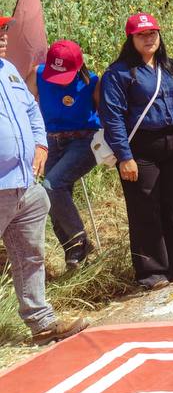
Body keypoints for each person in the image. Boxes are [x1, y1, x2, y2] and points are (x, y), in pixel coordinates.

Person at [99, 12, 173, 289]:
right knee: (144, 209)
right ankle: (150, 273)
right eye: (142, 34)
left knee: (170, 205)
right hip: (139, 147)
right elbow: (112, 117)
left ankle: (172, 266)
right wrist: (124, 157)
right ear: (131, 39)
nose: (149, 38)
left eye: (152, 33)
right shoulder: (118, 74)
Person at [0, 19, 89, 343]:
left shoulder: (8, 70)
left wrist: (39, 143)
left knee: (30, 254)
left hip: (25, 185)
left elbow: (31, 112)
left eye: (3, 33)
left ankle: (41, 323)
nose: (2, 39)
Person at [30, 39, 100, 272]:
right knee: (53, 200)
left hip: (83, 141)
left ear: (79, 66)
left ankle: (80, 238)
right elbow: (27, 105)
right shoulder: (38, 74)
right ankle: (74, 253)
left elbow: (108, 114)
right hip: (51, 141)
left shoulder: (92, 82)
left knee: (51, 186)